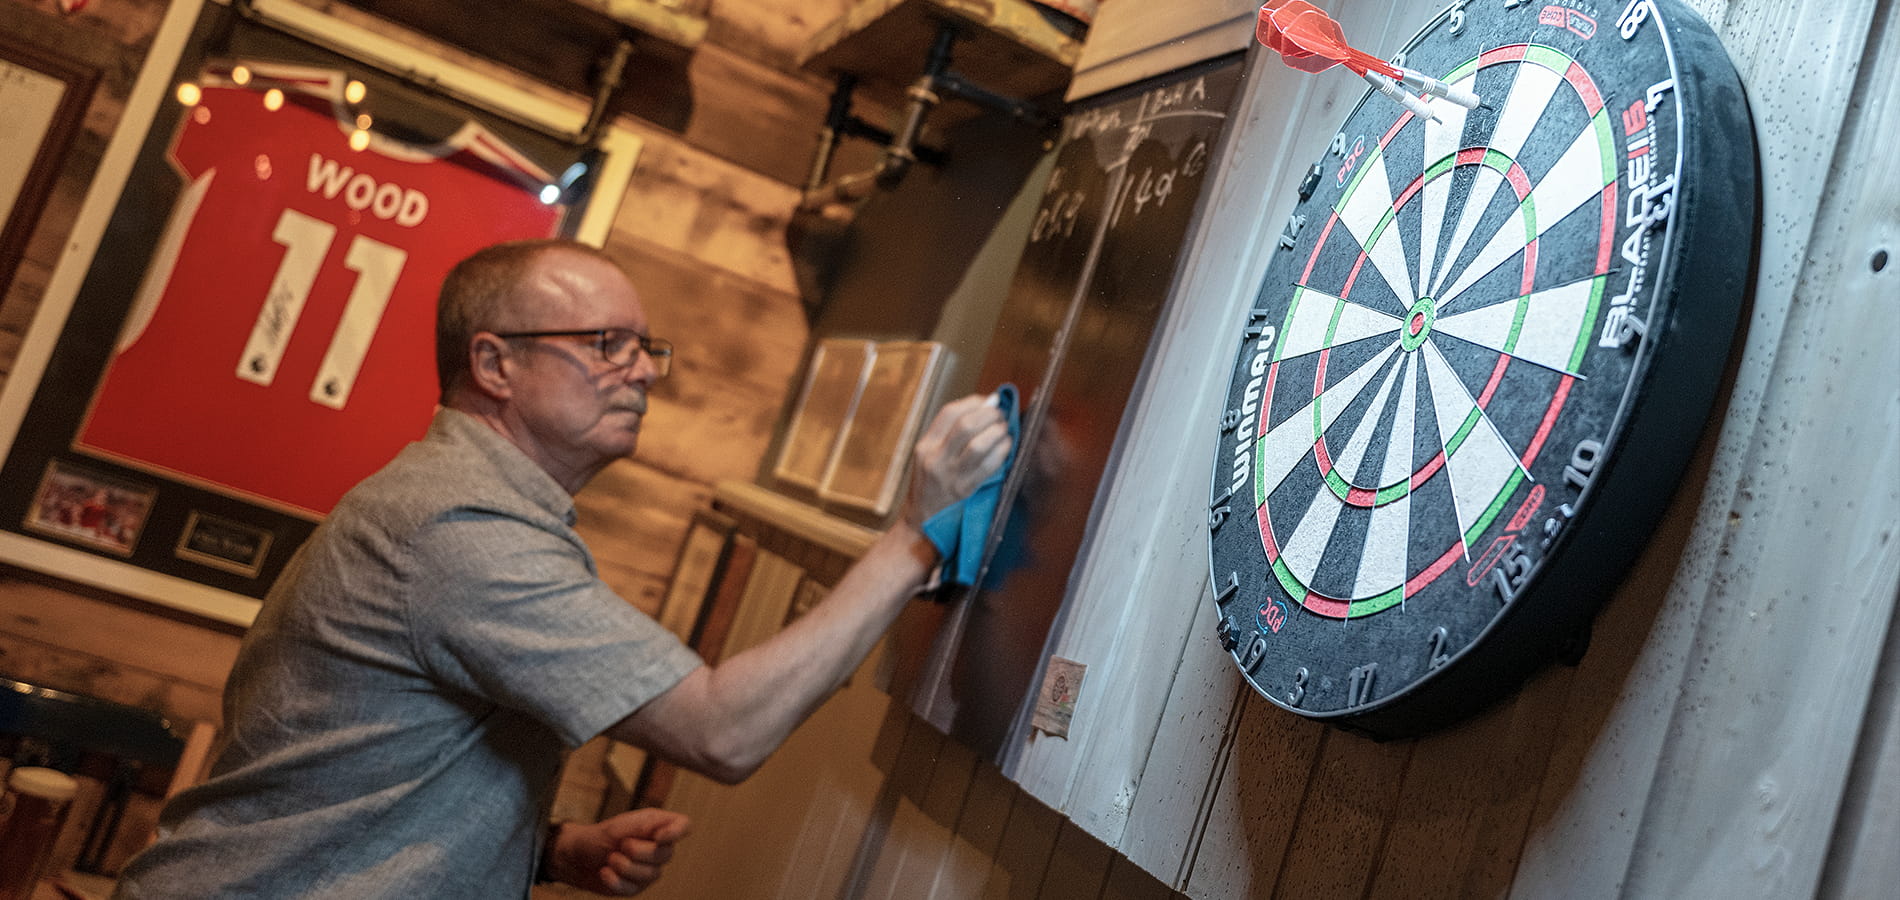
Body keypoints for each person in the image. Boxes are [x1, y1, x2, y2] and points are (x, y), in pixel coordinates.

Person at [115, 239, 1011, 898]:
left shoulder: (462, 506)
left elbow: (359, 775)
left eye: (644, 348)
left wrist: (545, 849)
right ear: (495, 364)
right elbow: (721, 730)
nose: (640, 373)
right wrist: (915, 536)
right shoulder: (456, 527)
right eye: (603, 344)